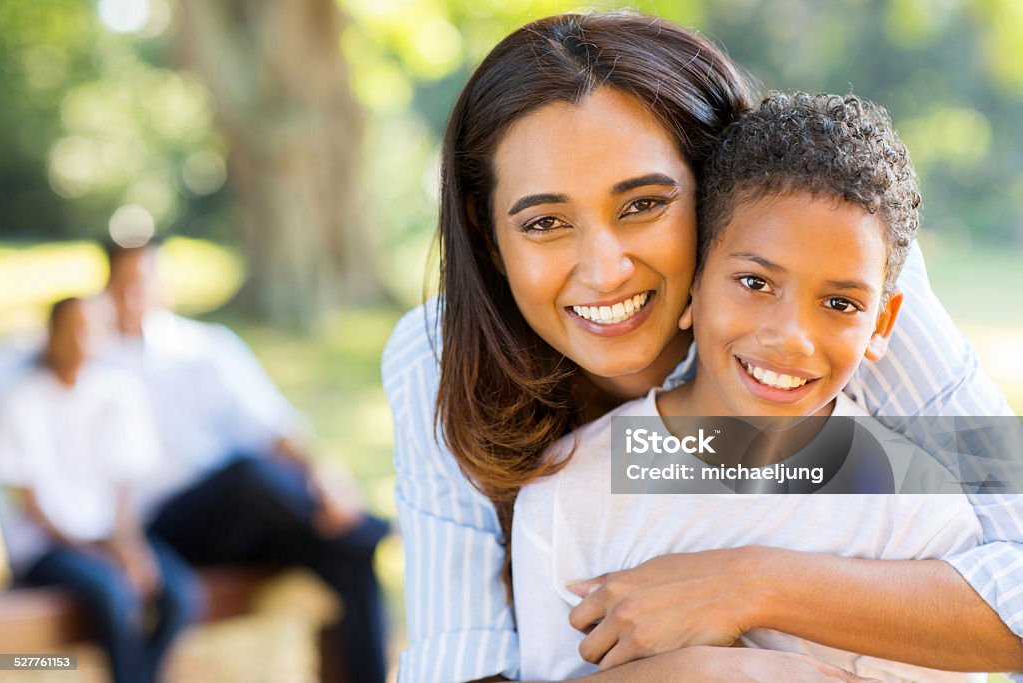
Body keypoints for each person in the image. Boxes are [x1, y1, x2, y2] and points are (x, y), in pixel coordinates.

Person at [381, 11, 1023, 683]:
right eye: (544, 222)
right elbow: (457, 661)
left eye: (643, 204)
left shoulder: (847, 287)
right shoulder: (438, 361)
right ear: (490, 238)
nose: (604, 270)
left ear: (717, 188)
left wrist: (751, 583)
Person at [513, 91, 992, 682]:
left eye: (840, 302)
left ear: (882, 324)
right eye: (754, 282)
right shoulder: (567, 495)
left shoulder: (918, 511)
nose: (791, 337)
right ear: (693, 281)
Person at [96, 241, 390, 683]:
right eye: (125, 286)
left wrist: (327, 480)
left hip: (242, 521)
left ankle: (360, 543)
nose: (137, 296)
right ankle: (379, 531)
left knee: (345, 556)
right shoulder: (93, 359)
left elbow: (277, 429)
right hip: (163, 531)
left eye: (146, 283)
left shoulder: (207, 347)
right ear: (106, 289)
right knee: (246, 476)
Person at [0, 298, 200, 683]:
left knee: (179, 594)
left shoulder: (119, 393)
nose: (80, 341)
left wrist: (127, 547)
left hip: (106, 538)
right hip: (47, 545)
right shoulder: (22, 400)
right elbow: (32, 506)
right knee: (113, 595)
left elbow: (122, 486)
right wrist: (101, 553)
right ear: (51, 335)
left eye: (90, 330)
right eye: (70, 329)